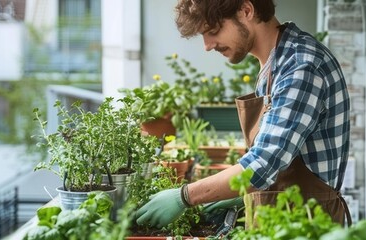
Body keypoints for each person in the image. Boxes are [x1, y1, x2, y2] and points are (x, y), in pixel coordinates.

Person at [134, 0, 352, 228]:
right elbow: (282, 160)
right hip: (283, 218)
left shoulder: (301, 67)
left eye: (213, 31)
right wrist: (234, 196)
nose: (207, 45)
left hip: (307, 226)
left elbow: (263, 163)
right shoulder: (276, 61)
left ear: (246, 10)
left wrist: (184, 196)